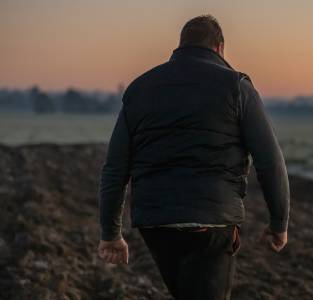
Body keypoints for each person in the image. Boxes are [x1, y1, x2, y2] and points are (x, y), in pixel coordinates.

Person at [97, 15, 290, 300]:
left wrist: (110, 233)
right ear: (220, 48)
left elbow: (115, 169)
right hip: (211, 222)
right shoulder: (237, 87)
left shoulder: (139, 89)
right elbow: (270, 161)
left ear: (180, 45)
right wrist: (279, 224)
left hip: (156, 223)